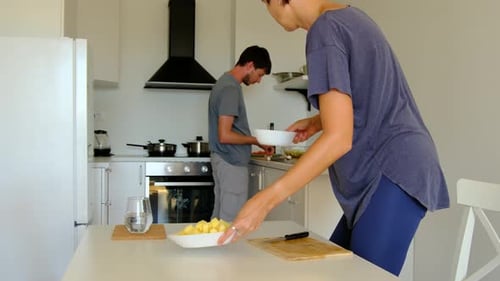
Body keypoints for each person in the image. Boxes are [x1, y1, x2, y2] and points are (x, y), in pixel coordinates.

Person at [218, 0, 450, 276]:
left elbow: (339, 139)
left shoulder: (323, 31)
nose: (271, 15)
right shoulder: (349, 18)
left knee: (358, 275)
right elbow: (367, 99)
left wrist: (264, 201)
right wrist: (318, 122)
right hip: (392, 166)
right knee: (335, 270)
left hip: (392, 169)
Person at [208, 45, 274, 222]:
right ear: (250, 65)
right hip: (231, 163)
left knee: (220, 219)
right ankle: (226, 251)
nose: (258, 81)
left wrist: (253, 145)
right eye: (259, 75)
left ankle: (216, 250)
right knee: (232, 221)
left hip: (225, 160)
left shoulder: (225, 83)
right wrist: (257, 140)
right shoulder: (230, 89)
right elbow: (225, 135)